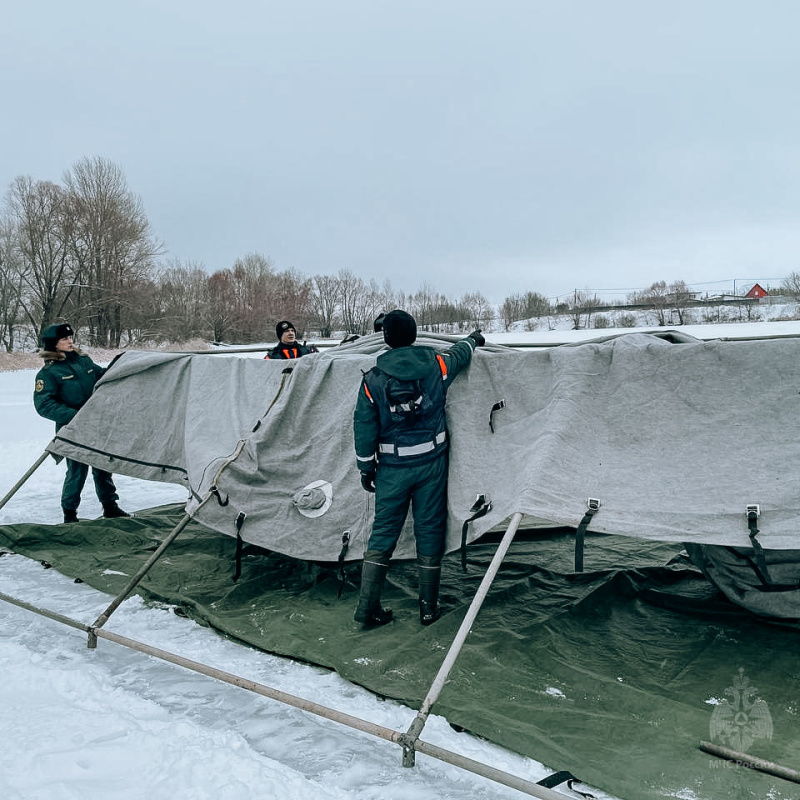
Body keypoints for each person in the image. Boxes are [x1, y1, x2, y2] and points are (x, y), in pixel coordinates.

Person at [352, 310, 485, 628]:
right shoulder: (437, 366)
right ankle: (428, 609)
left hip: (392, 469)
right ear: (414, 335)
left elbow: (364, 426)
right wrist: (474, 338)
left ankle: (367, 609)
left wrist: (365, 467)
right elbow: (460, 354)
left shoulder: (372, 379)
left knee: (383, 533)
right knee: (429, 531)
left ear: (385, 339)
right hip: (431, 465)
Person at [33, 323, 129, 523]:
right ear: (54, 344)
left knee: (102, 466)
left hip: (96, 424)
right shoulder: (48, 373)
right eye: (64, 339)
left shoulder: (83, 361)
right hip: (73, 428)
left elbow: (101, 376)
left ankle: (110, 506)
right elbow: (45, 405)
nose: (70, 341)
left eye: (70, 338)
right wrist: (75, 415)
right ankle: (70, 514)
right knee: (77, 472)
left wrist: (118, 364)